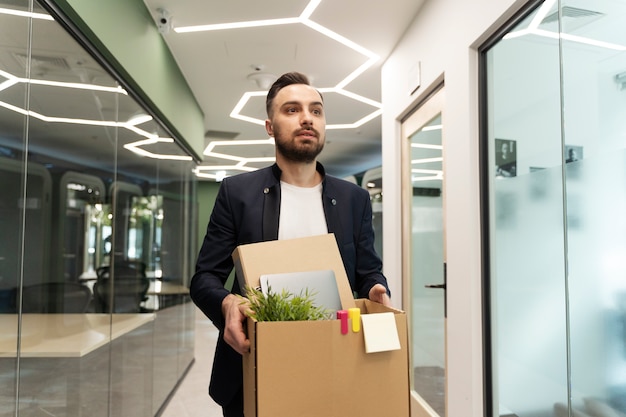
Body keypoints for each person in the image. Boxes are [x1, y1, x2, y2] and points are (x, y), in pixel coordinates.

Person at [190, 71, 391, 417]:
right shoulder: (238, 194)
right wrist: (226, 306)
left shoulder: (354, 199)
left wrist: (376, 289)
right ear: (270, 126)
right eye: (292, 109)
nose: (307, 118)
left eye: (316, 110)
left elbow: (368, 271)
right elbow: (204, 278)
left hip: (337, 360)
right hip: (255, 362)